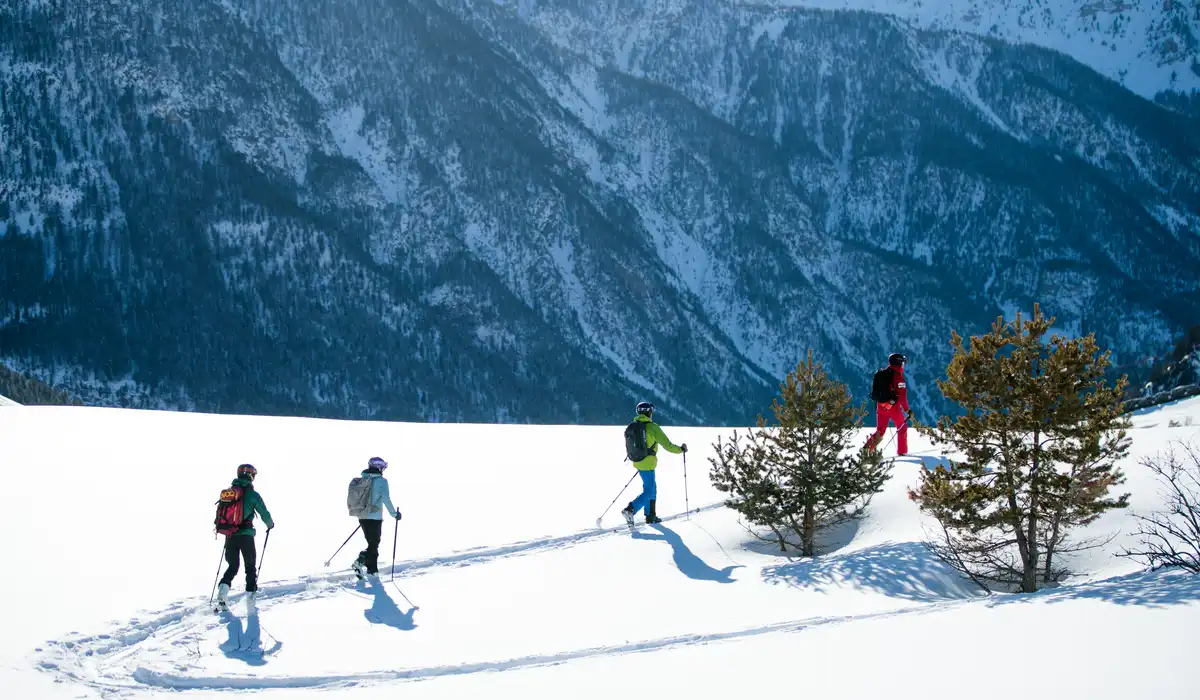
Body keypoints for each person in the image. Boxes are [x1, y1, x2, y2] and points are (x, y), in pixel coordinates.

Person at [216, 463, 274, 614]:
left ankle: (222, 593)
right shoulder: (252, 494)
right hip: (246, 536)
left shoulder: (230, 493)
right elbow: (264, 513)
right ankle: (250, 598)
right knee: (250, 567)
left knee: (233, 566)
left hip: (230, 535)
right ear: (250, 476)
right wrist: (270, 524)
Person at [621, 401, 687, 525]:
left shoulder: (634, 425)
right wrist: (680, 449)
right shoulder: (653, 427)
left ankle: (650, 515)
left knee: (650, 488)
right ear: (649, 413)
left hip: (638, 461)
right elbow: (668, 445)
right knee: (650, 491)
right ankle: (630, 509)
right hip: (648, 463)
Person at [351, 456, 401, 580]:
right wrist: (394, 514)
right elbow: (386, 499)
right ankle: (360, 561)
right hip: (374, 518)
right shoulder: (382, 481)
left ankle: (372, 570)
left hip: (362, 516)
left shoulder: (363, 479)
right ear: (379, 467)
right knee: (374, 544)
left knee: (372, 544)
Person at [865, 353, 913, 456]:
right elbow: (902, 397)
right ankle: (902, 452)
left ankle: (866, 451)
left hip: (880, 406)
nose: (903, 365)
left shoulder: (882, 374)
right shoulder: (898, 377)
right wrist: (907, 410)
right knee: (902, 428)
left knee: (880, 431)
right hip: (893, 407)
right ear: (899, 363)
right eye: (902, 363)